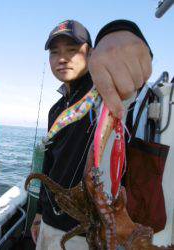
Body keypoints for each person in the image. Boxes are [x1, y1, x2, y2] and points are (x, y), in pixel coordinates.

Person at [31, 19, 152, 250]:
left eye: (73, 50)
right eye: (55, 52)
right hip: (49, 223)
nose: (62, 58)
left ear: (92, 54)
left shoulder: (103, 92)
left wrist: (116, 31)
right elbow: (48, 165)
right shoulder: (55, 110)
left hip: (87, 233)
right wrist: (39, 213)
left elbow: (122, 61)